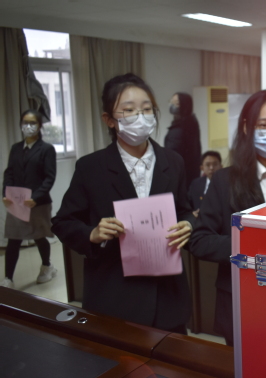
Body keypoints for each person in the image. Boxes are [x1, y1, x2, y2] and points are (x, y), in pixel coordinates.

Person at [51, 73, 193, 334]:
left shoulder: (173, 162)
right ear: (109, 120)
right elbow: (62, 222)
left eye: (146, 109)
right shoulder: (90, 167)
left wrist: (188, 224)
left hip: (167, 297)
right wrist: (92, 233)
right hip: (114, 297)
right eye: (128, 110)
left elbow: (185, 210)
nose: (140, 116)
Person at [188, 90, 266, 346]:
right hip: (240, 301)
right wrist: (249, 243)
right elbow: (199, 241)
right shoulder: (224, 180)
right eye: (262, 125)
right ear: (246, 128)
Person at [1, 110, 57, 289]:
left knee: (39, 236)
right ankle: (8, 278)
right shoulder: (16, 148)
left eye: (32, 122)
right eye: (25, 122)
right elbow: (9, 172)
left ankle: (47, 266)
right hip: (17, 202)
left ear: (39, 126)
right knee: (14, 238)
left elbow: (49, 177)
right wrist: (5, 193)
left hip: (38, 203)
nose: (28, 126)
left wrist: (35, 197)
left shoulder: (46, 149)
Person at [164, 92, 202, 189]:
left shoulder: (180, 129)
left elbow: (172, 156)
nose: (171, 105)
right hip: (189, 175)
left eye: (176, 103)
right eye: (171, 102)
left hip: (181, 177)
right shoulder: (191, 122)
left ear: (185, 106)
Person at [188, 150, 222, 217]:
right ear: (202, 168)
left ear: (221, 166)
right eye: (208, 165)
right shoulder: (196, 184)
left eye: (215, 164)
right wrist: (191, 214)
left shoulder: (227, 184)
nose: (211, 168)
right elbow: (188, 204)